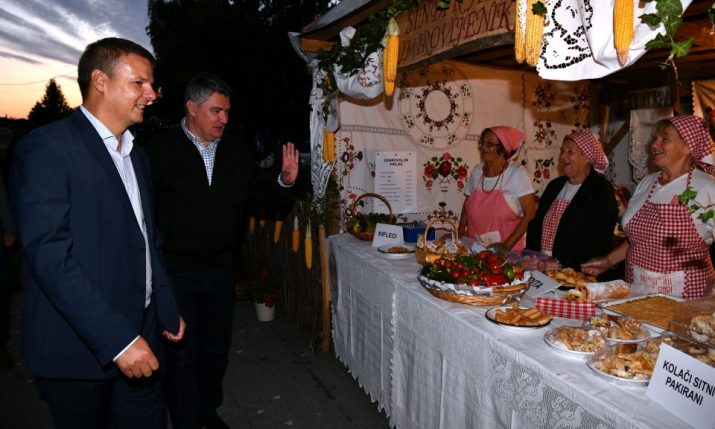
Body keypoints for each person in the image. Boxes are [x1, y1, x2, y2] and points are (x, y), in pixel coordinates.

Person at [10, 37, 185, 428]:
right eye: (139, 83)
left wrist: (166, 306)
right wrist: (118, 339)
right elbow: (50, 256)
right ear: (100, 81)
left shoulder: (137, 154)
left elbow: (148, 239)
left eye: (152, 84)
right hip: (79, 349)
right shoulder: (47, 147)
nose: (151, 94)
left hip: (145, 335)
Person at [146, 72, 299, 429]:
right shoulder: (158, 150)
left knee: (215, 349)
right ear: (192, 107)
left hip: (221, 268)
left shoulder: (235, 150)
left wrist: (283, 181)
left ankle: (207, 412)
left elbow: (257, 195)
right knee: (181, 353)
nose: (224, 119)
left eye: (227, 112)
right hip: (176, 270)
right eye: (216, 111)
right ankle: (185, 420)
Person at [583, 115, 715, 299]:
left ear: (688, 146)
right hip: (637, 291)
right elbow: (641, 239)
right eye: (655, 138)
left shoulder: (706, 188)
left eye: (664, 139)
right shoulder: (647, 182)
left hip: (687, 298)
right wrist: (608, 261)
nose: (654, 145)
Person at [526, 132, 618, 272]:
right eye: (562, 151)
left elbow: (598, 239)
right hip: (542, 267)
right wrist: (531, 255)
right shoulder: (555, 186)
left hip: (576, 273)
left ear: (586, 156)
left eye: (570, 151)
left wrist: (562, 262)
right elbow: (536, 224)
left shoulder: (601, 190)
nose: (562, 156)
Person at [458, 126, 536, 250]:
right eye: (482, 142)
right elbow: (467, 203)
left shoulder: (517, 173)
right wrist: (460, 233)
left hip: (509, 252)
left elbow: (530, 214)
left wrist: (506, 245)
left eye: (489, 144)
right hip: (476, 249)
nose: (483, 147)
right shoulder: (477, 171)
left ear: (504, 148)